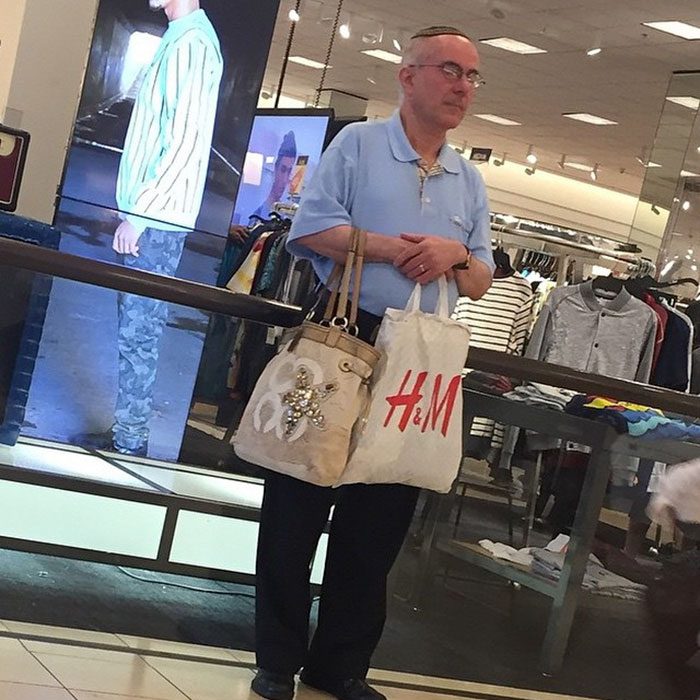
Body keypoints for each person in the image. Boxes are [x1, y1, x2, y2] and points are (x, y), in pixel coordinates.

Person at [251, 26, 494, 700]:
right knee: (296, 502)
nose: (462, 86)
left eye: (473, 77)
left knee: (381, 518)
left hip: (420, 354)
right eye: (451, 69)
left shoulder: (468, 178)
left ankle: (341, 666)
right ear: (408, 74)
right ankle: (276, 658)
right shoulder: (357, 145)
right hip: (344, 334)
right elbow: (308, 231)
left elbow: (481, 278)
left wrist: (456, 256)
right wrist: (394, 248)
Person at [82, 0, 223, 456]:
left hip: (159, 219)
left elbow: (182, 141)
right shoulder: (182, 37)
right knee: (135, 328)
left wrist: (140, 216)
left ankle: (130, 441)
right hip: (154, 214)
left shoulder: (193, 43)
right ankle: (128, 431)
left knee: (139, 331)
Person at [228, 131, 298, 247]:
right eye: (283, 169)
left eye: (289, 171)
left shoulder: (286, 215)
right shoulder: (253, 207)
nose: (284, 178)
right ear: (275, 169)